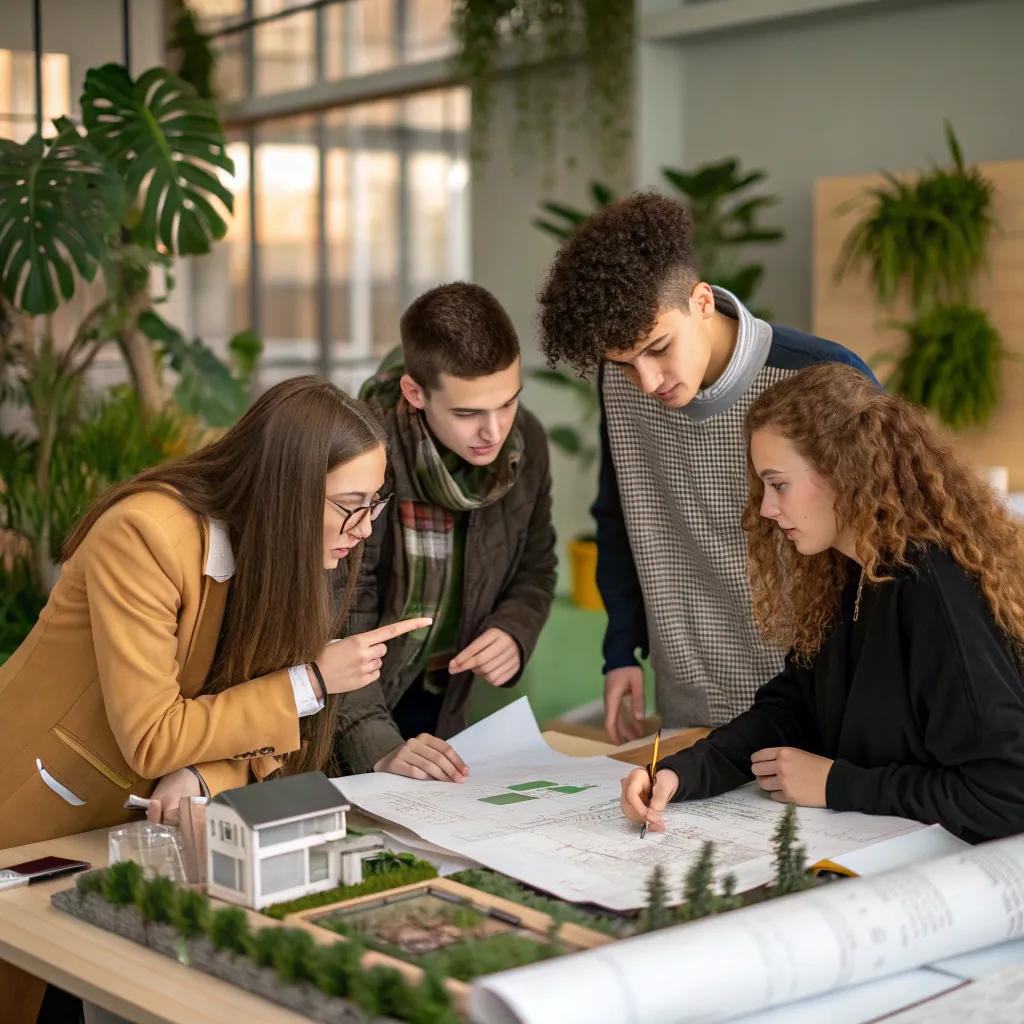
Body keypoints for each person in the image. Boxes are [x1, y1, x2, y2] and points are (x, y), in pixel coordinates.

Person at [0, 376, 430, 1023]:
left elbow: (264, 748)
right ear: (286, 491)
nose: (365, 528)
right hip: (32, 826)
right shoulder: (143, 535)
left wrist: (205, 770)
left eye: (375, 503)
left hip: (133, 844)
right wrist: (311, 683)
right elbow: (155, 734)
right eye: (350, 505)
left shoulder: (290, 556)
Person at [620, 363, 1024, 844]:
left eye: (779, 484)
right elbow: (795, 707)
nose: (767, 508)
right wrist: (683, 772)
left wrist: (838, 784)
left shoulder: (931, 588)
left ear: (845, 473)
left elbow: (1008, 792)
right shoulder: (847, 568)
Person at [537, 191, 876, 745]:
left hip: (819, 709)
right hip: (692, 702)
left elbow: (886, 546)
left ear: (700, 302)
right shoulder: (622, 389)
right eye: (622, 364)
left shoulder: (821, 376)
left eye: (659, 347)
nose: (646, 382)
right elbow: (619, 513)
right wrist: (620, 648)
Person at [334, 282, 557, 782]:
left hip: (444, 703)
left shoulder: (529, 446)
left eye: (508, 403)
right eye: (467, 413)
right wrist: (380, 745)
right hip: (351, 713)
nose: (494, 432)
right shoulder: (361, 455)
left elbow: (536, 566)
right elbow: (340, 617)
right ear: (416, 393)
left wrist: (514, 631)